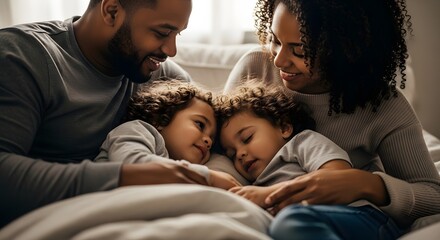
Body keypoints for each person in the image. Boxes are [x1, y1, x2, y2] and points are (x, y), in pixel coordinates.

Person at [225, 0, 440, 239]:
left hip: (356, 216)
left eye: (300, 51)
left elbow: (432, 195)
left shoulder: (383, 105)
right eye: (275, 40)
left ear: (346, 50)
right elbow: (218, 144)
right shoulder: (256, 68)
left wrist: (365, 184)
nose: (279, 60)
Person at [0, 0, 207, 227]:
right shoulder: (22, 55)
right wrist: (134, 177)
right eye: (162, 33)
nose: (171, 50)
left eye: (178, 34)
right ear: (111, 12)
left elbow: (219, 124)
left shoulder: (159, 76)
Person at [216, 80, 353, 209]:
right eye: (232, 155)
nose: (240, 154)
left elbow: (339, 175)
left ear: (284, 128)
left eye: (247, 138)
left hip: (352, 211)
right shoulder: (256, 183)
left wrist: (267, 194)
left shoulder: (302, 143)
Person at [95, 79, 240, 190]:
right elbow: (132, 164)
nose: (208, 141)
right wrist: (207, 176)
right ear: (161, 118)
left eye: (212, 141)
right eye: (200, 125)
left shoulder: (174, 163)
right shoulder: (137, 130)